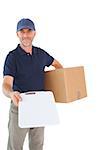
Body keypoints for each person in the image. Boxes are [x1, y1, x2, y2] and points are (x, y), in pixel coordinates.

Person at [2, 18, 63, 150]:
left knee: (37, 146)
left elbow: (58, 65)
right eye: (22, 31)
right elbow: (6, 84)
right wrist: (11, 93)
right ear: (17, 34)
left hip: (40, 106)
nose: (25, 35)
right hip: (19, 104)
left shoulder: (41, 54)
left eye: (28, 31)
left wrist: (61, 85)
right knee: (15, 147)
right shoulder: (12, 57)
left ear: (34, 33)